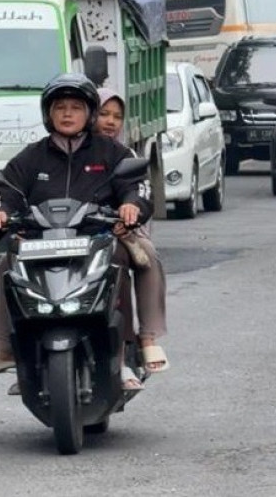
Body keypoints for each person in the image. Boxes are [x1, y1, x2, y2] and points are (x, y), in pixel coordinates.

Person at [0, 75, 158, 391]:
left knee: (119, 263)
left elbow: (136, 186)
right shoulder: (32, 156)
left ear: (89, 114)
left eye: (75, 108)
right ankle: (5, 349)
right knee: (7, 264)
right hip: (43, 240)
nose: (67, 114)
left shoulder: (111, 152)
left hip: (98, 238)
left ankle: (121, 357)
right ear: (48, 114)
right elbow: (5, 190)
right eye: (60, 108)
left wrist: (132, 205)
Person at [94, 89, 170, 377]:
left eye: (117, 117)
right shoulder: (59, 151)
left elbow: (139, 191)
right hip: (67, 236)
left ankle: (146, 338)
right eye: (104, 114)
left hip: (116, 234)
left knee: (145, 255)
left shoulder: (123, 155)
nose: (110, 122)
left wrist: (128, 211)